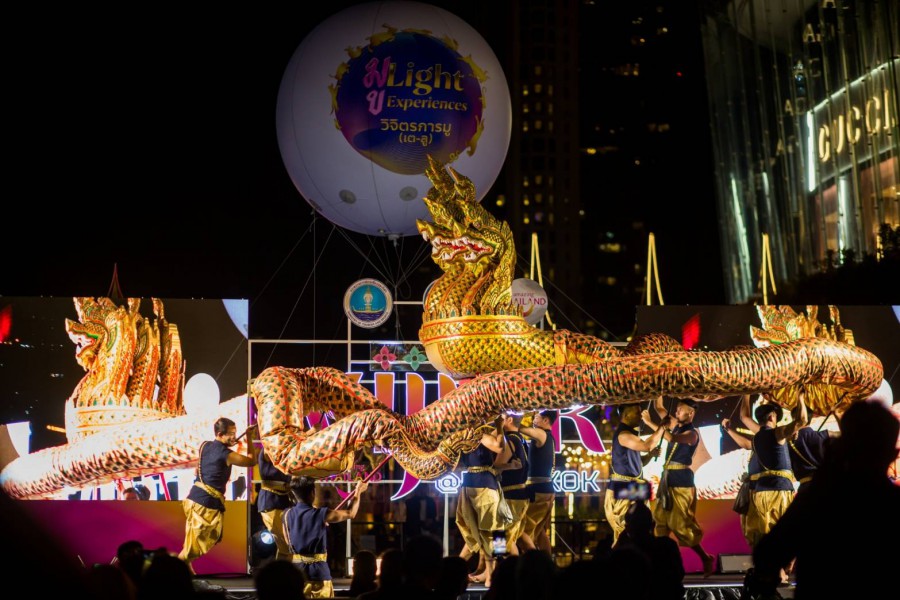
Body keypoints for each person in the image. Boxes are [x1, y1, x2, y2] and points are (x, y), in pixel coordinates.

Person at [752, 400, 900, 599]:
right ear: (892, 453)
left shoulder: (817, 499)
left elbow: (768, 554)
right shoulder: (892, 504)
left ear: (844, 443)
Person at [722, 392, 807, 581]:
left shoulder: (760, 434)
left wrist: (746, 393)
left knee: (766, 533)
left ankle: (781, 568)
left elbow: (744, 416)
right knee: (780, 531)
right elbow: (802, 420)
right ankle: (781, 568)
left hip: (761, 492)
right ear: (772, 417)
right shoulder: (777, 433)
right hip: (776, 491)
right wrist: (800, 397)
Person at [642, 397, 715, 577]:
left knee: (681, 525)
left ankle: (705, 557)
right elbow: (659, 407)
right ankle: (660, 566)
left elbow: (671, 437)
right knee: (660, 524)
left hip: (682, 481)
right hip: (667, 479)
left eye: (680, 410)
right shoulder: (675, 425)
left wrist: (650, 423)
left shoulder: (692, 434)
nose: (676, 412)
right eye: (676, 409)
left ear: (690, 413)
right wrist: (658, 392)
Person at [177, 418, 259, 574]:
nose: (234, 437)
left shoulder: (205, 446)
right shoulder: (226, 454)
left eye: (235, 433)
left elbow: (203, 466)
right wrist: (249, 438)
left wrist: (229, 444)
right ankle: (170, 574)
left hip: (194, 499)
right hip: (204, 504)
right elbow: (251, 461)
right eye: (231, 434)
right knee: (191, 550)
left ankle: (188, 576)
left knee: (192, 545)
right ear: (220, 434)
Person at [283, 475, 369, 598]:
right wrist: (358, 491)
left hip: (297, 573)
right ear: (313, 493)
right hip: (318, 572)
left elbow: (288, 542)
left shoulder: (286, 515)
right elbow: (351, 513)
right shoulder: (321, 514)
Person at [456, 415, 515, 588]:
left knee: (489, 532)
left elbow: (499, 446)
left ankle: (491, 573)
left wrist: (499, 426)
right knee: (487, 531)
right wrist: (499, 425)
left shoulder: (473, 434)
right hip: (478, 485)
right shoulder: (474, 434)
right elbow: (499, 448)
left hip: (478, 484)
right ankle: (490, 573)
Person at [603, 401, 667, 546]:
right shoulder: (624, 435)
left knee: (641, 530)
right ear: (626, 415)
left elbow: (638, 463)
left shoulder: (631, 434)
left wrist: (650, 456)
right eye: (637, 412)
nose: (641, 415)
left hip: (633, 486)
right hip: (624, 486)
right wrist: (662, 427)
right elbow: (647, 446)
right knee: (627, 531)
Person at [518, 409, 558, 555]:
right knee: (539, 531)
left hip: (537, 490)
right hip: (543, 489)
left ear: (546, 420)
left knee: (520, 531)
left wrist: (516, 417)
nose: (533, 419)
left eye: (536, 417)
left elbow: (520, 428)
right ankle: (546, 563)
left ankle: (532, 562)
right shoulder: (547, 436)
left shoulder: (542, 434)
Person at [498, 412, 530, 555]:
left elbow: (499, 464)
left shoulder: (510, 439)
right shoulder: (521, 439)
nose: (498, 420)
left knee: (502, 535)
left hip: (510, 495)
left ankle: (501, 563)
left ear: (509, 420)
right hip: (519, 493)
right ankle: (537, 562)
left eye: (502, 418)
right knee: (515, 535)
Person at [256, 447, 295, 561]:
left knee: (286, 545)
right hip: (270, 501)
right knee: (286, 544)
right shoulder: (268, 450)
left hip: (284, 501)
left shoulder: (288, 454)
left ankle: (282, 571)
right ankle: (282, 571)